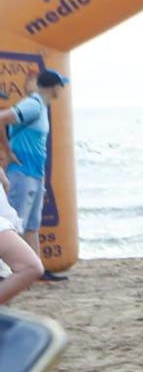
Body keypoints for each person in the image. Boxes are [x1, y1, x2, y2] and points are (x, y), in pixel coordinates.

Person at [5, 69, 67, 253]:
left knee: (32, 227)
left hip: (35, 175)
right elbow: (2, 119)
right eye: (60, 86)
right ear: (55, 87)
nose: (61, 90)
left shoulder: (41, 107)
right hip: (21, 174)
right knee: (14, 226)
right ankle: (11, 274)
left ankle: (34, 271)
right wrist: (7, 151)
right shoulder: (33, 105)